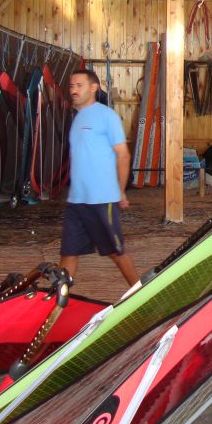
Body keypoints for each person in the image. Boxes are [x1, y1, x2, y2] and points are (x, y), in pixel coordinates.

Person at [60, 68, 140, 287]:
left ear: (93, 88)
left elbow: (123, 154)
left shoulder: (107, 116)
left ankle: (140, 294)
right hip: (76, 201)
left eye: (79, 86)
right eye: (72, 86)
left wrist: (121, 190)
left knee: (116, 252)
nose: (74, 90)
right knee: (69, 253)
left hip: (102, 200)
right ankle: (59, 299)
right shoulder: (77, 118)